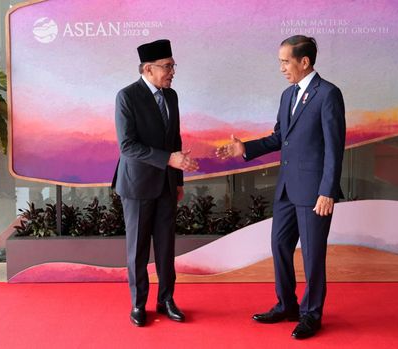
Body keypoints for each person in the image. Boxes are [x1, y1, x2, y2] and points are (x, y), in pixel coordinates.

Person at [215, 35, 345, 340]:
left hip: (315, 192)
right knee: (279, 245)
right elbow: (279, 138)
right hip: (287, 189)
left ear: (305, 62)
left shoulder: (328, 94)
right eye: (280, 62)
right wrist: (244, 149)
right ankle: (287, 305)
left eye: (285, 62)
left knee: (313, 256)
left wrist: (327, 191)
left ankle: (311, 314)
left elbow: (334, 147)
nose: (282, 68)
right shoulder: (288, 95)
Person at [113, 39, 199, 327]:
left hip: (166, 184)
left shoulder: (171, 96)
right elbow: (128, 146)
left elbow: (175, 140)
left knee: (166, 247)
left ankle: (166, 300)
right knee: (137, 249)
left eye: (173, 66)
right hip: (137, 186)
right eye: (167, 66)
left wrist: (178, 179)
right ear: (148, 69)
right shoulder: (126, 97)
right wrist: (169, 160)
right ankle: (138, 304)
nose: (172, 71)